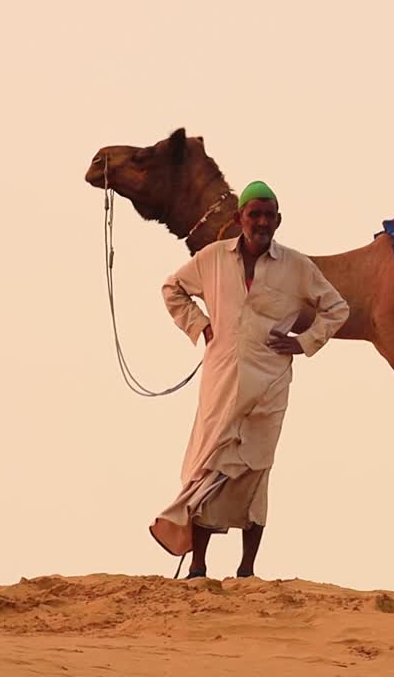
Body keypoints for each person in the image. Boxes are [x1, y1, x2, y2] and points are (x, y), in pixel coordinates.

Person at [150, 180, 349, 579]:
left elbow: (337, 308)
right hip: (221, 376)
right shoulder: (212, 259)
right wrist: (201, 326)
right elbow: (173, 288)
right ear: (240, 217)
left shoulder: (296, 266)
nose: (261, 222)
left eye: (268, 215)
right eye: (254, 214)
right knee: (210, 465)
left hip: (270, 384)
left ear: (278, 220)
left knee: (256, 469)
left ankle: (247, 569)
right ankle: (199, 566)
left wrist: (305, 342)